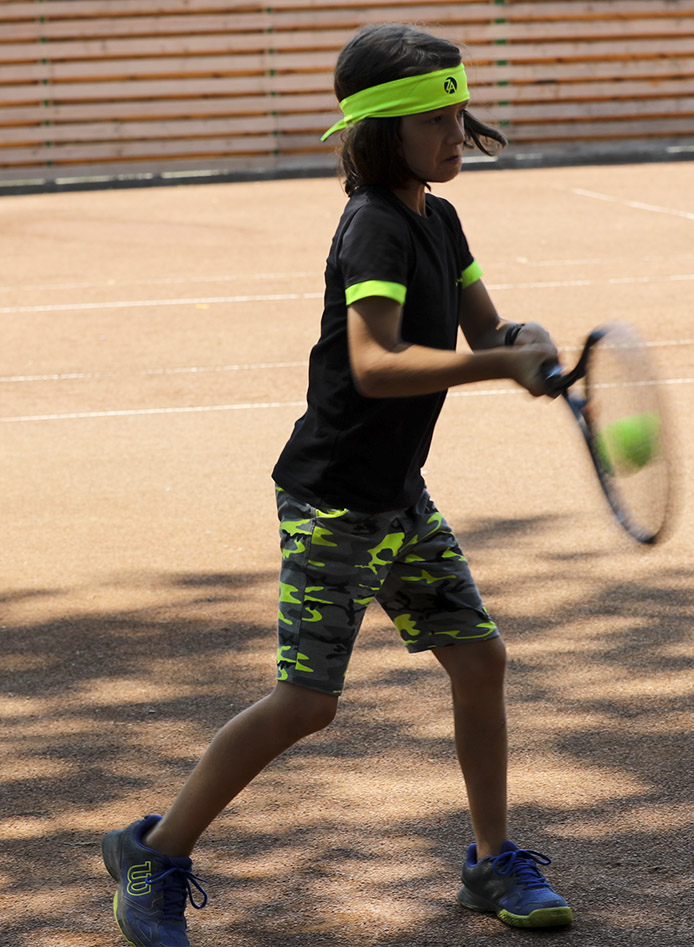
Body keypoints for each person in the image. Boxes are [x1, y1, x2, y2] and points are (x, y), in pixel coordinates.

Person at [101, 23, 574, 947]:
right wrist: (495, 372)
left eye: (456, 113)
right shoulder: (374, 226)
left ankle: (489, 861)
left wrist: (525, 344)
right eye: (431, 118)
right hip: (334, 499)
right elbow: (374, 363)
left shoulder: (440, 217)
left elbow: (485, 330)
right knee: (307, 702)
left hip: (397, 494)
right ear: (377, 130)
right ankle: (154, 849)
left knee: (479, 659)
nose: (453, 133)